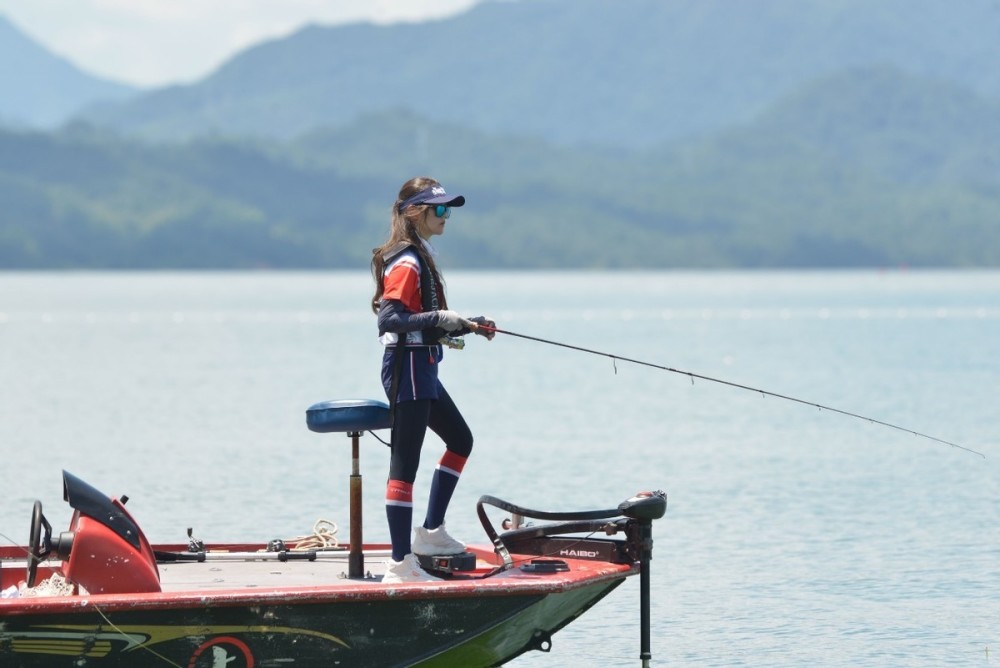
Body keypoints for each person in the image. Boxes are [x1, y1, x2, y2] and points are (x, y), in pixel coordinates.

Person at [370, 176, 495, 583]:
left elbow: (422, 320)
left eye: (449, 209)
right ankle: (400, 564)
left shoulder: (420, 255)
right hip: (406, 366)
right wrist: (440, 318)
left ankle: (430, 533)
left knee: (461, 440)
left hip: (421, 365)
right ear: (415, 212)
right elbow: (390, 319)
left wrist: (468, 325)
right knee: (404, 465)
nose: (447, 216)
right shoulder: (406, 261)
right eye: (440, 209)